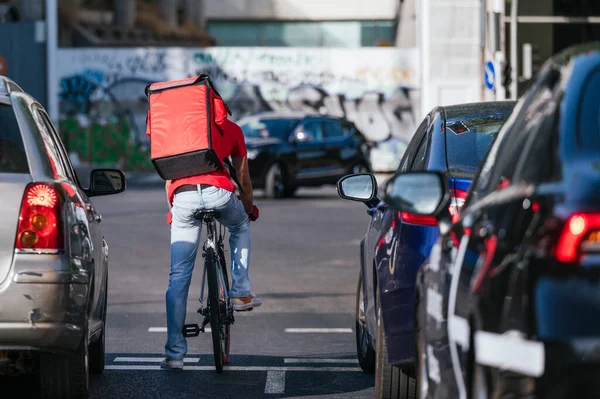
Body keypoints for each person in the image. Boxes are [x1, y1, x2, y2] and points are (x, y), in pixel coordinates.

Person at [160, 118, 261, 370]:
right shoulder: (231, 128)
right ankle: (239, 293)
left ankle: (174, 355)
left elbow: (168, 178)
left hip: (182, 197)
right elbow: (243, 178)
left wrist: (174, 209)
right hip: (220, 193)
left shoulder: (179, 126)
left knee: (179, 274)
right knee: (239, 225)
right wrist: (248, 209)